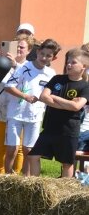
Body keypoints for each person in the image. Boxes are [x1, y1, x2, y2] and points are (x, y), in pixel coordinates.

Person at [28, 48, 89, 178]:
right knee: (33, 156)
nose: (68, 65)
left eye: (73, 63)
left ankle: (65, 191)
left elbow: (77, 106)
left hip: (69, 131)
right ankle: (35, 185)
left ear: (83, 67)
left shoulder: (85, 86)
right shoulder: (57, 79)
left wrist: (55, 98)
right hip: (50, 127)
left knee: (67, 163)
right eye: (68, 62)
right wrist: (68, 104)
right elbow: (44, 96)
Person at [3, 39, 58, 176]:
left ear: (54, 58)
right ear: (37, 52)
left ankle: (26, 179)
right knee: (12, 148)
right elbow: (8, 87)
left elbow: (52, 94)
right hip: (16, 113)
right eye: (42, 54)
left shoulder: (51, 74)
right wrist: (25, 96)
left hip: (35, 115)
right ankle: (7, 176)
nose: (44, 58)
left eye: (48, 56)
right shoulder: (24, 67)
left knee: (29, 150)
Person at [0, 34, 31, 174]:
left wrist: (16, 66)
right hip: (2, 108)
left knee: (17, 146)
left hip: (19, 110)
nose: (19, 49)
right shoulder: (4, 63)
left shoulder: (29, 67)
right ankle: (0, 174)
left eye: (22, 47)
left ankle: (16, 173)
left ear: (29, 51)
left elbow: (27, 84)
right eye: (17, 46)